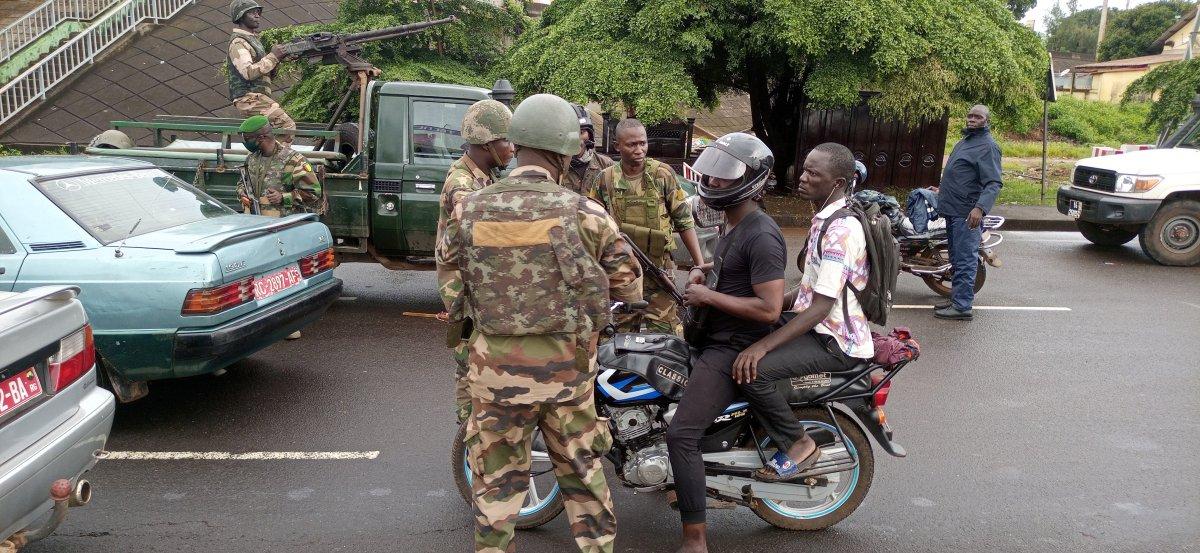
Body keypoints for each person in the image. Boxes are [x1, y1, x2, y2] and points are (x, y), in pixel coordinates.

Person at [436, 93, 642, 553]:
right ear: (561, 152)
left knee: (495, 493)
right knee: (586, 487)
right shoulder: (585, 212)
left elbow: (449, 278)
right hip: (567, 378)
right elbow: (628, 284)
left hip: (493, 378)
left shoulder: (468, 208)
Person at [664, 132, 786, 553]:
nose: (714, 183)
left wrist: (707, 296)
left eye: (723, 177)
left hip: (732, 346)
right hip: (714, 334)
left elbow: (769, 309)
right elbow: (733, 269)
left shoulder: (763, 234)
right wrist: (705, 271)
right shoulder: (735, 222)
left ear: (752, 180)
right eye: (712, 175)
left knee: (681, 434)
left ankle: (695, 540)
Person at [729, 142, 875, 484]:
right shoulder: (825, 218)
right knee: (738, 335)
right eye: (804, 168)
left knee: (755, 370)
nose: (803, 177)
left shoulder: (841, 230)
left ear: (837, 183)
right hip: (816, 325)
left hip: (834, 341)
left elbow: (821, 306)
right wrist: (764, 307)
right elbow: (807, 292)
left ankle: (800, 444)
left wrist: (762, 347)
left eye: (813, 173)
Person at [437, 99, 515, 424]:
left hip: (478, 284)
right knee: (471, 365)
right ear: (487, 143)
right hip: (465, 291)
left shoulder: (486, 175)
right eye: (507, 141)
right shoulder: (462, 183)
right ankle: (470, 446)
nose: (512, 148)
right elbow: (478, 228)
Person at [591, 118, 705, 335]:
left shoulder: (662, 175)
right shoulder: (604, 180)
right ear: (617, 146)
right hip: (621, 275)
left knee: (663, 338)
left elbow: (683, 221)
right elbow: (593, 228)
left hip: (659, 271)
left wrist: (698, 265)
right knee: (618, 337)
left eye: (642, 143)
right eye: (631, 144)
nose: (639, 149)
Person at [934, 104, 1002, 320]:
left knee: (965, 260)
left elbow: (993, 183)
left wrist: (979, 208)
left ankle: (963, 307)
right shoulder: (965, 142)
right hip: (953, 210)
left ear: (986, 121)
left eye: (978, 117)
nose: (972, 119)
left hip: (967, 214)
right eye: (970, 115)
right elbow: (961, 175)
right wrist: (941, 189)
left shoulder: (988, 146)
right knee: (956, 258)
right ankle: (957, 298)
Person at [227, 0, 297, 145]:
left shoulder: (252, 40)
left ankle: (267, 159)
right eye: (252, 12)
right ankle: (275, 162)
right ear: (241, 16)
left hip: (256, 98)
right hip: (248, 99)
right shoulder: (239, 42)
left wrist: (278, 60)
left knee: (272, 132)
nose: (257, 15)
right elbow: (248, 72)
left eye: (258, 12)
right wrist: (273, 56)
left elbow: (265, 74)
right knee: (286, 126)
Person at [564, 104, 614, 196]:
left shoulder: (606, 164)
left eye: (581, 132)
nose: (577, 138)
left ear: (590, 134)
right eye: (571, 133)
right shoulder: (556, 167)